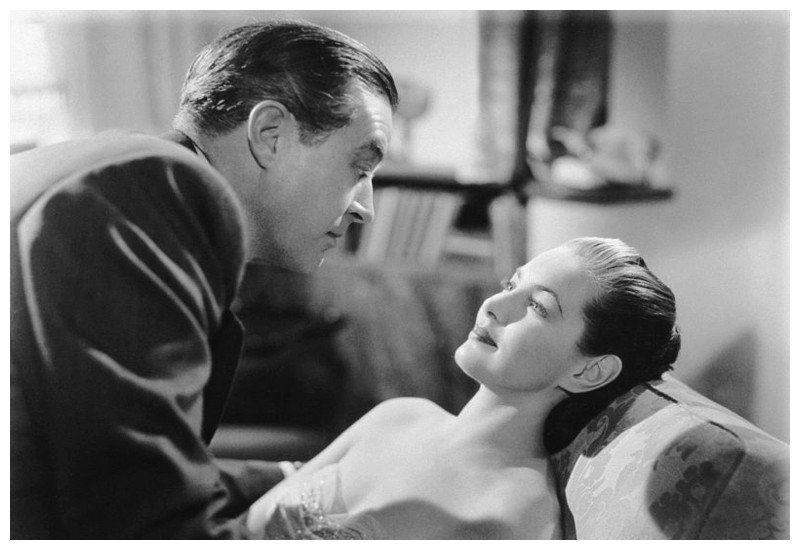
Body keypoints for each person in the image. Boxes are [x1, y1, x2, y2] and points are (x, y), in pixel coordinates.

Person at [10, 20, 397, 539]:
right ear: (271, 134)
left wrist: (302, 478)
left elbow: (120, 464)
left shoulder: (108, 165)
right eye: (360, 167)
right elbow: (149, 525)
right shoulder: (154, 188)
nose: (366, 208)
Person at [245, 237, 681, 539]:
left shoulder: (516, 516)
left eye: (536, 306)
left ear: (590, 371)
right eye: (511, 285)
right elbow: (243, 526)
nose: (494, 305)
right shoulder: (400, 415)